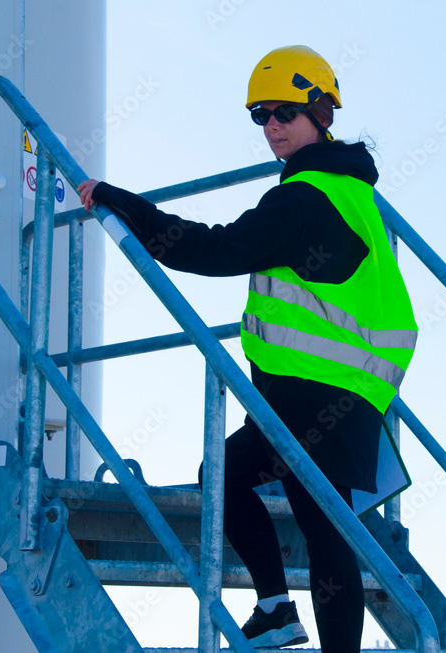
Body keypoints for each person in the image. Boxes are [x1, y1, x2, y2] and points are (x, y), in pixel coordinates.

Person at [77, 45, 417, 652]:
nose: (271, 127)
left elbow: (214, 250)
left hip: (315, 396)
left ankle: (278, 608)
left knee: (316, 526)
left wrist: (119, 200)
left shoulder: (307, 196)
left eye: (284, 111)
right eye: (260, 115)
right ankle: (275, 608)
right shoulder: (352, 195)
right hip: (343, 396)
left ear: (321, 111)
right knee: (265, 497)